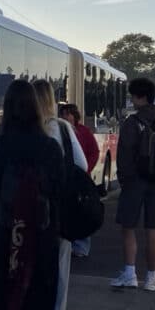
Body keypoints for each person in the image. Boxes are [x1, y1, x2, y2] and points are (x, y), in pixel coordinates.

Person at [0, 80, 66, 310]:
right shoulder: (49, 148)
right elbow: (59, 192)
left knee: (5, 295)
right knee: (39, 299)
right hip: (41, 238)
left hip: (7, 236)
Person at [32, 80, 87, 310]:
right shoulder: (64, 128)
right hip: (60, 210)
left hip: (31, 209)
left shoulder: (26, 128)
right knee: (60, 272)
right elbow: (82, 164)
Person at [112, 77, 155, 291]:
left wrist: (124, 179)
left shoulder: (132, 122)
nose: (131, 99)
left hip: (134, 181)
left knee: (128, 227)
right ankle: (151, 277)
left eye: (133, 96)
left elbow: (124, 155)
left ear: (141, 97)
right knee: (152, 229)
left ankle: (129, 273)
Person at [60, 104, 99, 258]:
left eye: (68, 114)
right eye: (63, 114)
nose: (65, 117)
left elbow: (94, 151)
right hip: (65, 178)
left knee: (83, 210)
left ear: (75, 116)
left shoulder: (84, 131)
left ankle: (81, 247)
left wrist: (87, 169)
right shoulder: (59, 131)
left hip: (80, 178)